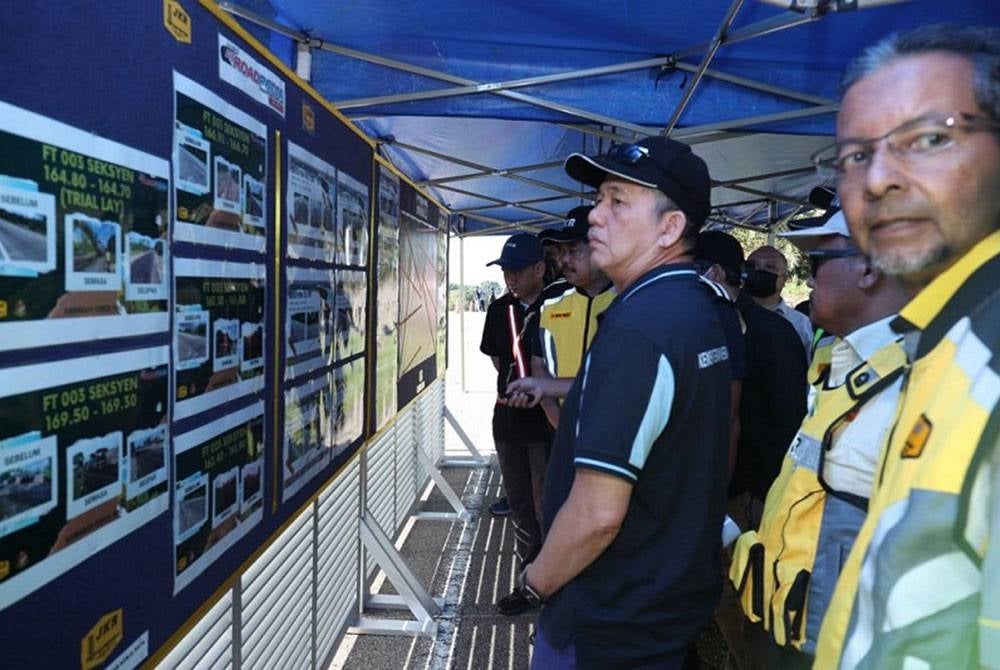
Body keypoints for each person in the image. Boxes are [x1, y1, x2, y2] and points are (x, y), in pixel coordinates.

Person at [811, 24, 1000, 668]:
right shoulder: (942, 344)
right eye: (854, 156)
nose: (879, 179)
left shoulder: (989, 354)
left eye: (927, 139)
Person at [505, 136, 731, 669]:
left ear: (670, 229)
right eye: (599, 200)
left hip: (609, 623)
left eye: (617, 202)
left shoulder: (641, 326)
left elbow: (598, 514)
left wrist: (535, 583)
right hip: (657, 614)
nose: (594, 218)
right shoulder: (691, 307)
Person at [727, 211, 910, 667]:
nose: (806, 284)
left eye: (816, 265)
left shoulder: (918, 386)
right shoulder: (837, 362)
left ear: (870, 268)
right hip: (787, 625)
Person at [695, 230, 808, 670]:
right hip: (737, 489)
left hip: (753, 493)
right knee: (731, 592)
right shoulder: (723, 323)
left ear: (715, 272)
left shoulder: (769, 330)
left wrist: (766, 496)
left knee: (747, 592)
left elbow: (790, 417)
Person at [479, 233, 553, 572]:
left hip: (545, 422)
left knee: (545, 502)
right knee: (520, 503)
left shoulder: (557, 303)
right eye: (506, 271)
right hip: (507, 422)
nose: (511, 278)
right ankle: (529, 572)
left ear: (539, 269)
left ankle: (552, 573)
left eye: (518, 271)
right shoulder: (498, 309)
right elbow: (497, 361)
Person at [506, 205, 616, 428]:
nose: (562, 260)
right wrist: (556, 417)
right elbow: (539, 364)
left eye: (573, 251)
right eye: (560, 252)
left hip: (619, 433)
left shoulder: (630, 300)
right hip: (564, 429)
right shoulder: (550, 301)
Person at [745, 245, 815, 360]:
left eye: (770, 267)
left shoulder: (800, 324)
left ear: (784, 279)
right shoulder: (729, 314)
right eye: (754, 265)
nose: (760, 271)